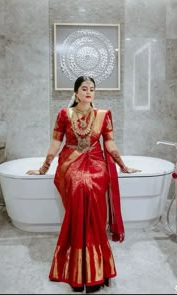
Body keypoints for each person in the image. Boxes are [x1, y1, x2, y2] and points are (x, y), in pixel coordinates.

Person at [26, 76, 140, 293]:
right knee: (80, 186)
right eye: (84, 88)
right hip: (71, 160)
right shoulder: (64, 114)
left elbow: (110, 143)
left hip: (97, 161)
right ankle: (80, 267)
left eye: (92, 89)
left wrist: (123, 166)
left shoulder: (103, 115)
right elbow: (56, 143)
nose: (89, 92)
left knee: (91, 184)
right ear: (76, 92)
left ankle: (96, 268)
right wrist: (43, 168)